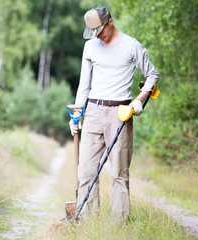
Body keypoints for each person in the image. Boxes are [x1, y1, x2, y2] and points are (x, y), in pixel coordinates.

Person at [69, 7, 159, 225]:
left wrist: (138, 100)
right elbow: (84, 85)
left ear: (110, 22)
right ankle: (88, 224)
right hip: (93, 112)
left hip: (120, 113)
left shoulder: (131, 46)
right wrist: (77, 115)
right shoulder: (90, 46)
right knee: (86, 171)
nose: (97, 36)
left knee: (119, 173)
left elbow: (152, 75)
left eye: (99, 30)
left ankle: (118, 228)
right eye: (92, 32)